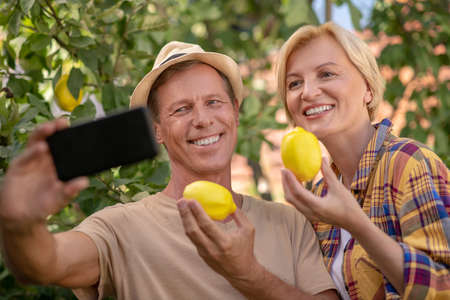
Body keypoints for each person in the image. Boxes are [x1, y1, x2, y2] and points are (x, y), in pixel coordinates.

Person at [0, 41, 337, 299]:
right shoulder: (121, 229)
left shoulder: (289, 223)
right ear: (157, 129)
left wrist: (248, 274)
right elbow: (43, 263)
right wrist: (19, 223)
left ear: (235, 112)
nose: (203, 119)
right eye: (181, 109)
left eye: (213, 103)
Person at [276, 22, 450, 299]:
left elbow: (444, 287)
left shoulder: (409, 164)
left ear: (367, 88)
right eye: (294, 83)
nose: (307, 92)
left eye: (326, 74)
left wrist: (357, 224)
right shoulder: (320, 194)